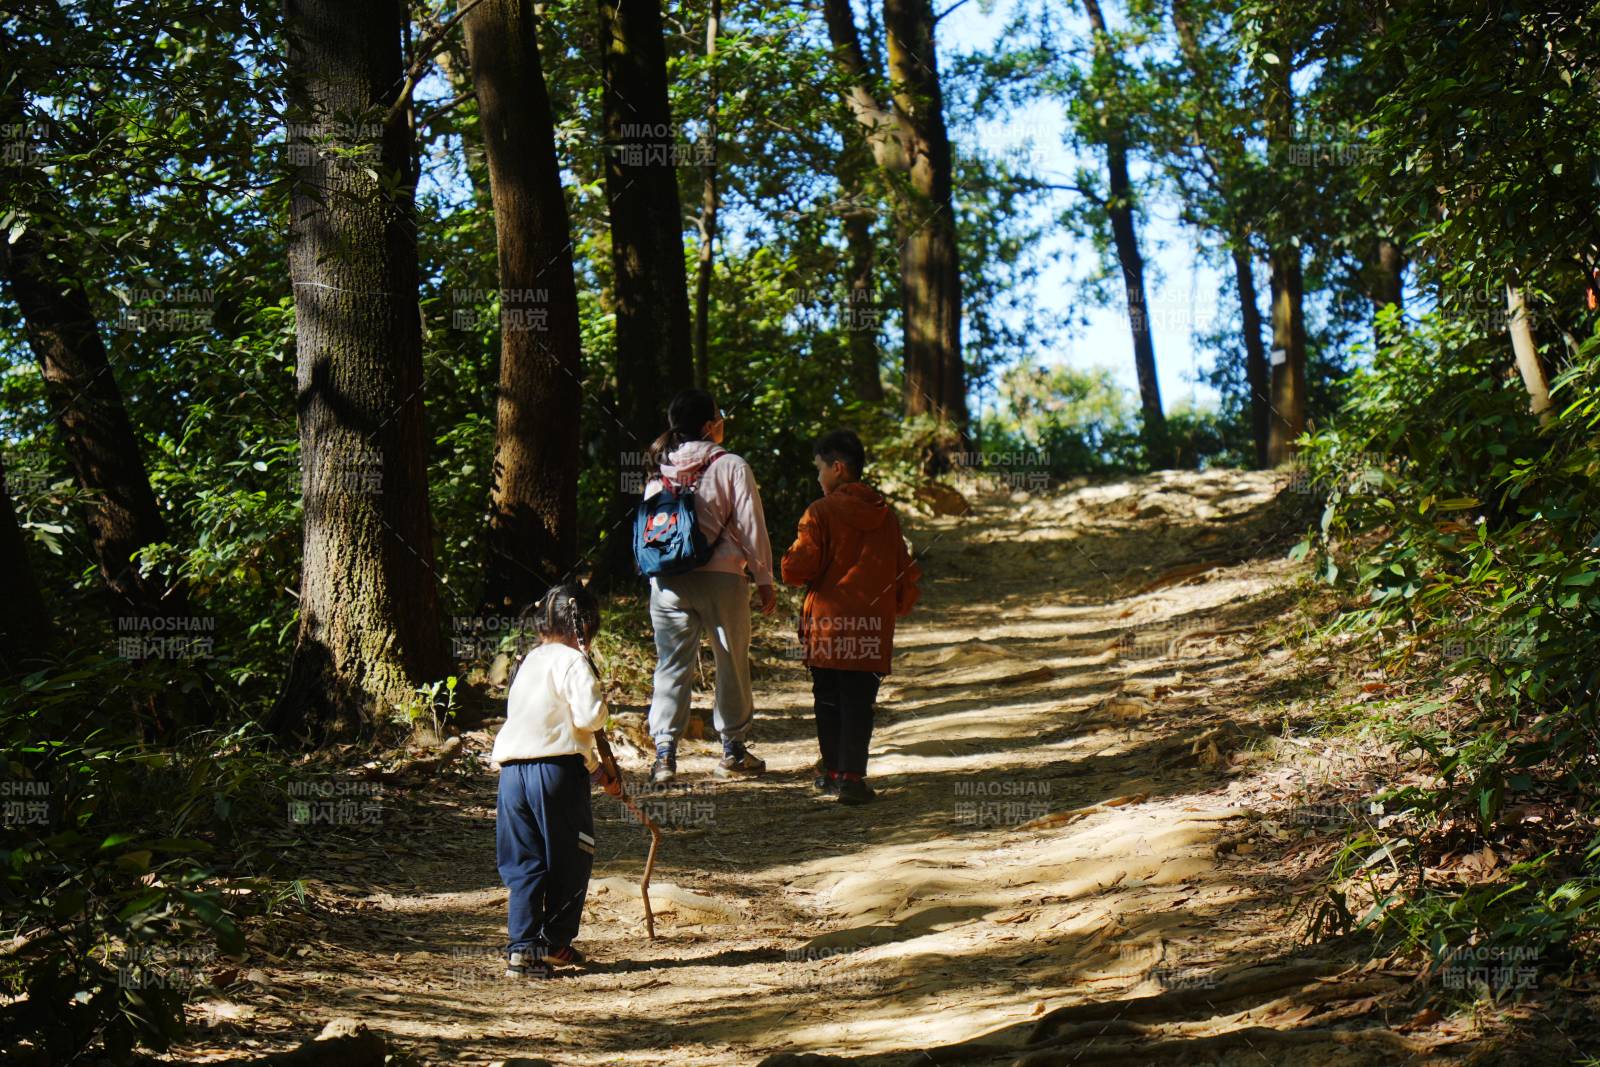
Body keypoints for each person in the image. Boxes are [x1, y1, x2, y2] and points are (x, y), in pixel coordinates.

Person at [642, 389, 777, 784]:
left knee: (671, 664)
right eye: (719, 416)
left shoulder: (660, 467)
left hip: (667, 579)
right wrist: (764, 578)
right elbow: (751, 525)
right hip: (723, 578)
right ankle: (733, 750)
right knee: (731, 661)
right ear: (708, 425)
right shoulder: (731, 464)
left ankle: (664, 755)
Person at [780, 429, 920, 805]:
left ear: (838, 468)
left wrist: (786, 560)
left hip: (828, 626)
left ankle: (832, 773)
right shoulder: (886, 516)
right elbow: (904, 572)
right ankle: (852, 778)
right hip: (871, 627)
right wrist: (893, 607)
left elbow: (796, 569)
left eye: (819, 469)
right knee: (860, 701)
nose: (818, 477)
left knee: (828, 699)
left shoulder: (819, 512)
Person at [490, 583, 620, 979]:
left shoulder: (527, 660)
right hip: (556, 774)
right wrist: (602, 706)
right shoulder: (573, 660)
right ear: (586, 627)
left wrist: (598, 772)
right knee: (572, 856)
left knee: (525, 861)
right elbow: (588, 718)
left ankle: (522, 949)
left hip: (512, 773)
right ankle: (554, 941)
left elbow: (550, 728)